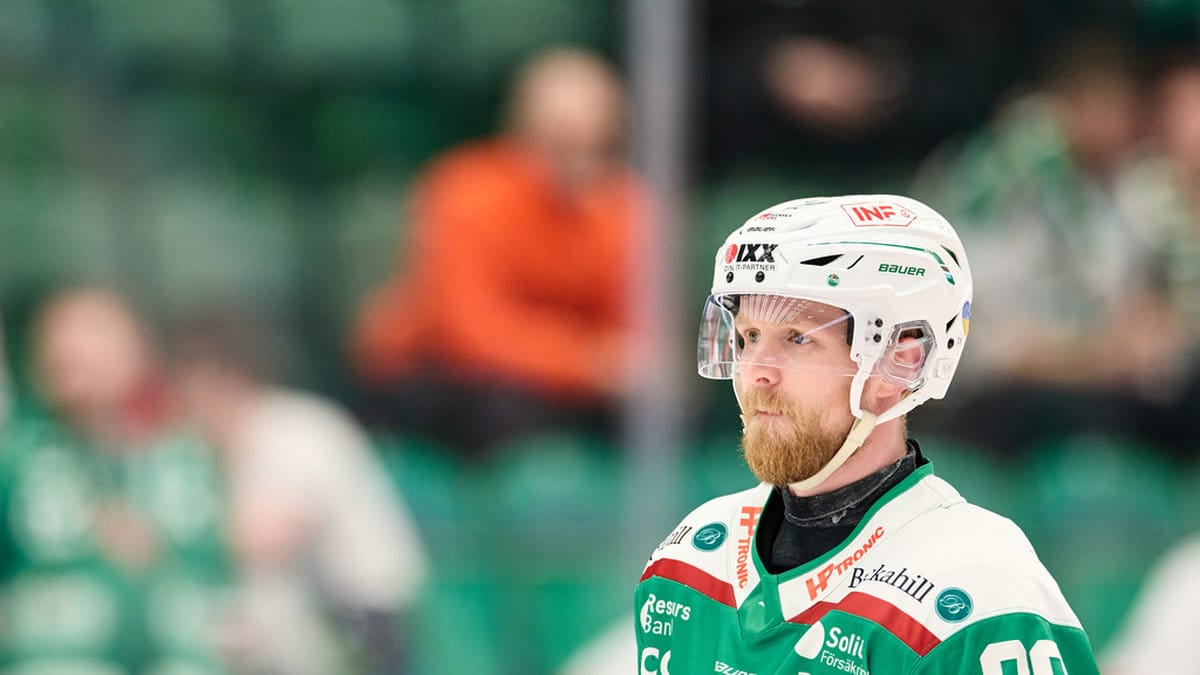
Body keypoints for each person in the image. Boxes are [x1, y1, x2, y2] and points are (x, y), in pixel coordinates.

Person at [635, 195, 1100, 673]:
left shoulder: (981, 594)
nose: (756, 371)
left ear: (902, 362)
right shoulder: (688, 562)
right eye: (749, 336)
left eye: (798, 338)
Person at [350, 46, 645, 457]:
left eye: (596, 143)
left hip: (559, 389)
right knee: (504, 407)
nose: (579, 158)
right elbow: (469, 332)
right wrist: (587, 363)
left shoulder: (624, 206)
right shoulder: (465, 191)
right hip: (439, 378)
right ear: (521, 127)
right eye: (562, 139)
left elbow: (626, 333)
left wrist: (618, 366)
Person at [172, 307, 429, 675]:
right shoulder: (239, 445)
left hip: (366, 617)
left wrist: (169, 540)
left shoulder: (288, 429)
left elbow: (269, 538)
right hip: (324, 618)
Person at [0, 286, 233, 673]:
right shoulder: (17, 454)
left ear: (140, 350)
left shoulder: (190, 452)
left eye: (96, 331)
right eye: (59, 332)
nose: (74, 347)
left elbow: (222, 572)